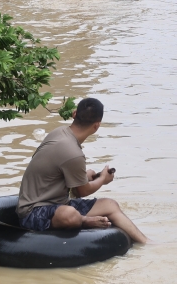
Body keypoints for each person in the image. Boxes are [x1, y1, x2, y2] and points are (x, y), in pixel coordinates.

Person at [16, 98, 148, 244]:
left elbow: (59, 176)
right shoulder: (73, 153)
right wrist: (102, 179)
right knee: (70, 214)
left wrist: (84, 177)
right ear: (97, 126)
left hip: (57, 203)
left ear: (74, 113)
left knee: (110, 204)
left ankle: (145, 242)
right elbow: (82, 192)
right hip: (33, 211)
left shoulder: (58, 132)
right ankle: (85, 221)